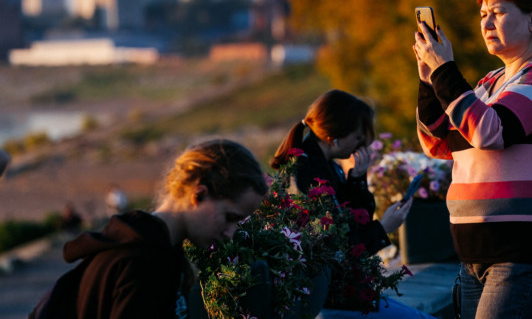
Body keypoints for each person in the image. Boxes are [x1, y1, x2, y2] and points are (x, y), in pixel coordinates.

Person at [413, 0, 532, 319]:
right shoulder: (488, 83)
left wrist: (446, 71)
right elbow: (437, 144)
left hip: (527, 251)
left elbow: (493, 132)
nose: (487, 23)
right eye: (483, 14)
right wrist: (429, 82)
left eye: (499, 12)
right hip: (475, 255)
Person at [30, 139, 268, 319]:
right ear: (200, 194)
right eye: (229, 217)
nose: (230, 233)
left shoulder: (146, 244)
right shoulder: (147, 262)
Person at [271, 89, 433, 319]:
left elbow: (351, 220)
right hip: (328, 299)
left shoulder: (326, 165)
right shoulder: (305, 174)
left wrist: (356, 179)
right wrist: (383, 228)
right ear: (333, 135)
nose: (360, 146)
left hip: (341, 293)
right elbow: (336, 247)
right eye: (358, 138)